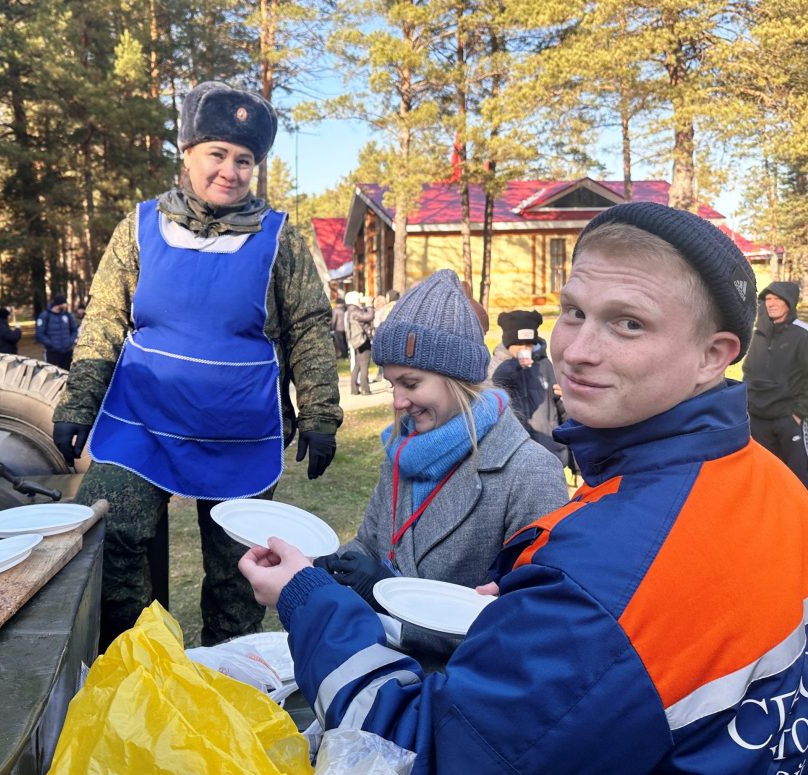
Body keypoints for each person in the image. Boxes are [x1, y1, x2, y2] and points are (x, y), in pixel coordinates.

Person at [241, 202, 808, 772]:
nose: (577, 351)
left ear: (713, 356)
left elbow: (426, 749)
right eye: (574, 311)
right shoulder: (770, 487)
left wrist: (306, 597)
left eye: (629, 323)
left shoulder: (592, 554)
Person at [50, 81, 342, 651]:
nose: (230, 170)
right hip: (143, 424)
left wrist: (321, 414)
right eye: (217, 154)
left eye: (245, 160)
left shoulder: (279, 239)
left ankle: (227, 675)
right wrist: (77, 401)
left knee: (240, 568)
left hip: (239, 433)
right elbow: (106, 319)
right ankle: (139, 660)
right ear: (186, 153)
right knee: (106, 532)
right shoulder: (138, 228)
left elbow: (309, 324)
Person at [312, 270, 568, 662]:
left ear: (460, 379)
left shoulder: (529, 473)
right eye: (391, 384)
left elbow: (524, 631)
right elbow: (369, 543)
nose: (398, 402)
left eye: (411, 384)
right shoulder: (403, 450)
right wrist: (317, 573)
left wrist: (388, 595)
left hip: (460, 696)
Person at [742, 281, 808, 486]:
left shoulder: (802, 334)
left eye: (777, 298)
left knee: (797, 478)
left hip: (788, 419)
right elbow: (748, 373)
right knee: (764, 476)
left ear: (789, 301)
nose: (771, 303)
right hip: (758, 418)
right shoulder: (758, 334)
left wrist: (798, 413)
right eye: (768, 299)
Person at [491, 309, 570, 466]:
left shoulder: (544, 366)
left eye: (529, 344)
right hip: (513, 457)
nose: (524, 349)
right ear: (507, 344)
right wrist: (510, 370)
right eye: (519, 345)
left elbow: (561, 408)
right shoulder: (496, 368)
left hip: (549, 452)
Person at [36, 293, 78, 369]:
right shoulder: (45, 316)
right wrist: (51, 344)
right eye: (65, 303)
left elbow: (74, 330)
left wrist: (70, 342)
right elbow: (40, 334)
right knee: (52, 376)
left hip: (67, 352)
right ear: (59, 304)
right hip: (52, 353)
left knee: (67, 376)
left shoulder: (67, 315)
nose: (66, 305)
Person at [346, 291, 374, 395]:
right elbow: (369, 317)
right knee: (364, 365)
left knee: (358, 365)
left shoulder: (350, 310)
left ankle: (354, 389)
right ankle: (365, 389)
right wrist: (370, 305)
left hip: (357, 341)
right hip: (362, 341)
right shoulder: (355, 311)